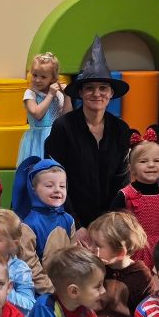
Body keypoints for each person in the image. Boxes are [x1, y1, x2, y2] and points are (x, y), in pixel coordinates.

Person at [45, 35, 132, 229]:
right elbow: (54, 178)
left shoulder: (120, 129)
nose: (97, 93)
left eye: (103, 88)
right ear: (81, 93)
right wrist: (76, 225)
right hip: (68, 220)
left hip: (108, 224)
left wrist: (108, 224)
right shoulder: (63, 127)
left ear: (111, 93)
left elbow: (122, 182)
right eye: (90, 88)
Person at [87, 210, 153, 317]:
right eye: (92, 242)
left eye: (98, 245)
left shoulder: (141, 277)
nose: (91, 248)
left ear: (120, 252)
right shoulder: (97, 265)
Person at [112, 124, 159, 272]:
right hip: (135, 253)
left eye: (157, 161)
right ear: (132, 168)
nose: (151, 165)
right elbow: (113, 227)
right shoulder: (125, 195)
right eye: (143, 161)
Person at [12, 155, 74, 265]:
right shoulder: (29, 224)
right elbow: (29, 263)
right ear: (34, 189)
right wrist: (44, 278)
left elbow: (74, 253)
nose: (57, 190)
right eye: (49, 186)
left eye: (62, 186)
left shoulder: (68, 220)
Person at [18, 51, 70, 167]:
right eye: (35, 75)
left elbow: (67, 117)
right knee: (36, 170)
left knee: (54, 169)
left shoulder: (58, 95)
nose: (37, 80)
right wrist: (50, 95)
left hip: (55, 138)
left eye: (43, 77)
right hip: (36, 141)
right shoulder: (30, 93)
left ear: (53, 78)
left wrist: (67, 96)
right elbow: (37, 114)